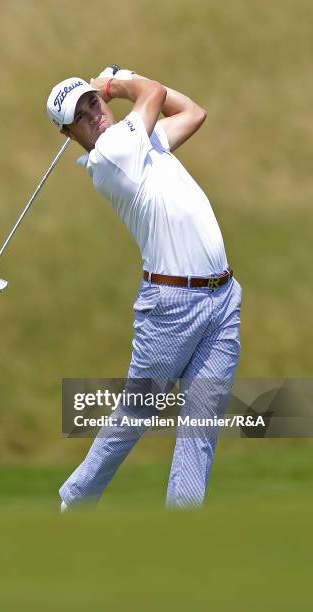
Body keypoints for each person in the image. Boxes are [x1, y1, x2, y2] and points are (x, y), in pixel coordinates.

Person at [46, 68, 242, 510]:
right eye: (80, 116)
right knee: (135, 415)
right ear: (69, 132)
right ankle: (75, 501)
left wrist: (120, 86)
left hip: (222, 299)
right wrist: (118, 80)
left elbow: (193, 112)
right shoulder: (113, 152)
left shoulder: (142, 142)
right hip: (172, 308)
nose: (94, 114)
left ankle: (181, 533)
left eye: (93, 101)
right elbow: (153, 93)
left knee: (201, 427)